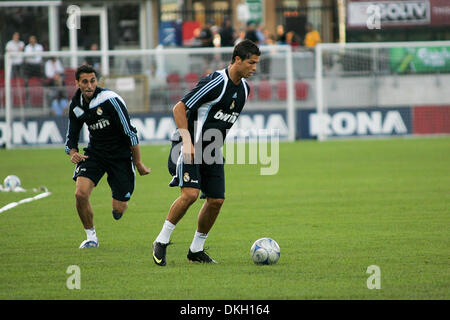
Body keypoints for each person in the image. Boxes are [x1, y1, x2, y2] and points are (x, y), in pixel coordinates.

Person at [152, 39, 261, 266]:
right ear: (237, 60)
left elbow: (220, 121)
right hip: (188, 146)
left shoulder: (244, 89)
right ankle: (161, 241)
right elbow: (179, 108)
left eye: (257, 63)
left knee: (216, 200)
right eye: (251, 63)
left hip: (211, 151)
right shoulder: (215, 83)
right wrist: (188, 143)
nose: (254, 68)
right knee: (190, 194)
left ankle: (196, 250)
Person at [65, 64, 150, 249]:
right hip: (95, 153)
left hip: (120, 156)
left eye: (93, 81)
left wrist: (139, 163)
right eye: (85, 81)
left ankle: (120, 203)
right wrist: (73, 152)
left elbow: (130, 133)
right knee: (80, 194)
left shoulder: (110, 100)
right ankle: (91, 237)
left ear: (97, 81)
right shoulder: (76, 105)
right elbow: (71, 135)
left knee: (118, 209)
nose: (89, 85)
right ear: (77, 83)